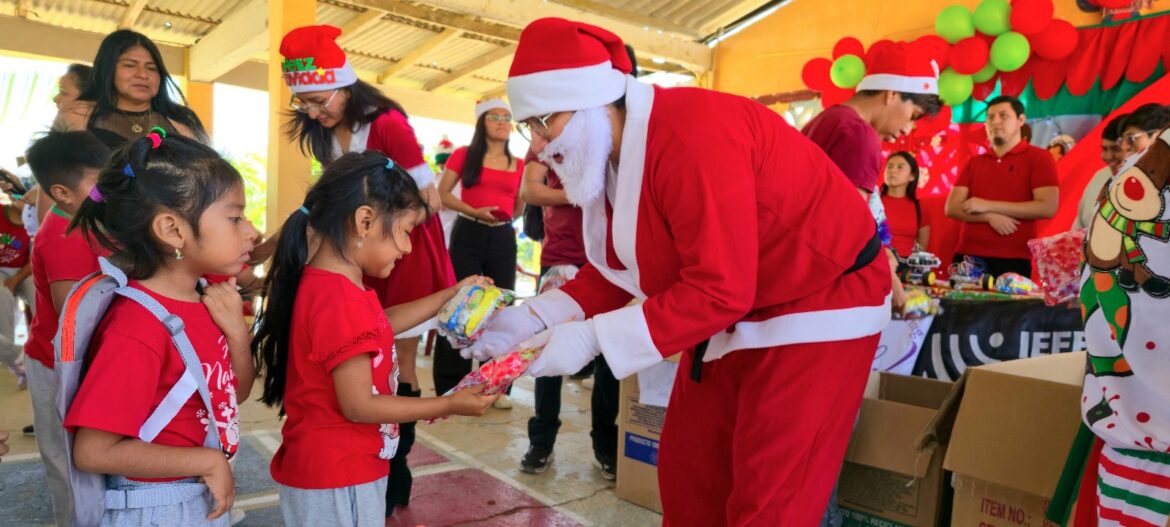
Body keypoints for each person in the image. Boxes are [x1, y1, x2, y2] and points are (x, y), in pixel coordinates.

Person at [465, 18, 890, 524]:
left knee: (769, 498)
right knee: (691, 477)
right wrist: (534, 317)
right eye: (528, 126)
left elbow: (720, 289)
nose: (537, 146)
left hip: (819, 304)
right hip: (735, 309)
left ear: (592, 102)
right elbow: (615, 270)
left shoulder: (692, 135)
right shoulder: (615, 152)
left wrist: (588, 339)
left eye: (544, 122)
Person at [251, 151, 497, 526]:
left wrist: (449, 294)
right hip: (338, 476)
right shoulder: (339, 298)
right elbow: (359, 405)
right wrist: (447, 405)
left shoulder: (331, 284)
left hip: (335, 472)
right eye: (405, 231)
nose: (408, 248)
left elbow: (379, 325)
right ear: (364, 221)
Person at [278, 25, 457, 515]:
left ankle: (395, 469)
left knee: (396, 359)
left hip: (398, 240)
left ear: (345, 84)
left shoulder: (387, 124)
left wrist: (393, 238)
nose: (314, 113)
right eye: (305, 105)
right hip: (366, 239)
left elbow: (423, 203)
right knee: (370, 355)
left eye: (320, 101)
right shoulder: (332, 288)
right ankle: (388, 466)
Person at [63, 130, 257, 525]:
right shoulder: (138, 327)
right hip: (157, 507)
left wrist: (237, 335)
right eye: (235, 217)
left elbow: (229, 394)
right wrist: (207, 460)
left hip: (194, 491)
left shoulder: (206, 300)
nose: (251, 231)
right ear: (172, 230)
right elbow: (94, 451)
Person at [802, 42, 941, 313]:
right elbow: (852, 224)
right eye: (912, 116)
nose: (907, 129)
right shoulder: (858, 133)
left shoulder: (826, 120)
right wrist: (896, 290)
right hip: (827, 289)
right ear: (891, 93)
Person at [22, 131, 111, 525]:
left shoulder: (86, 216)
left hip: (83, 358)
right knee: (69, 464)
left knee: (88, 458)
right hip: (62, 364)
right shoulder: (65, 236)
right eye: (99, 183)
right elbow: (74, 320)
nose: (110, 190)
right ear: (62, 192)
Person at [433, 99, 524, 404]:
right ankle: (451, 383)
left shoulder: (519, 163)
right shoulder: (464, 155)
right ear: (482, 122)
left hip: (502, 237)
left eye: (507, 118)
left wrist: (503, 219)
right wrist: (474, 210)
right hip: (468, 231)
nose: (502, 122)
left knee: (501, 309)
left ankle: (496, 386)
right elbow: (442, 194)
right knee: (459, 304)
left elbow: (520, 204)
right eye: (495, 117)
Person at [945, 95, 1059, 277]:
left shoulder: (1039, 158)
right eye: (990, 117)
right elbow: (952, 208)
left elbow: (1047, 207)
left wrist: (988, 205)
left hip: (1014, 258)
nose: (995, 122)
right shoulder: (974, 162)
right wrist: (988, 217)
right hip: (968, 256)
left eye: (1003, 116)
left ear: (1021, 120)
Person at [55, 30, 207, 148]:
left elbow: (211, 175)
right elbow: (58, 177)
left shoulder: (182, 120)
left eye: (152, 68)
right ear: (107, 69)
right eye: (130, 65)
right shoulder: (78, 117)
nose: (142, 74)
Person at [1073, 113, 1128, 230]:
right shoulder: (1099, 177)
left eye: (1116, 149)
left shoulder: (1156, 181)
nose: (1108, 156)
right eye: (1104, 149)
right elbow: (1078, 229)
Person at [0, 193, 33, 382]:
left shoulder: (35, 222)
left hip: (24, 271)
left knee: (38, 293)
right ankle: (17, 358)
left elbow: (33, 261)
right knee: (2, 296)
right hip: (2, 272)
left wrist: (15, 280)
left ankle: (48, 347)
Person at [882, 152, 930, 258]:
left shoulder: (920, 208)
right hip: (875, 264)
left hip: (906, 268)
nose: (892, 171)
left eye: (900, 167)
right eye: (889, 166)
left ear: (912, 176)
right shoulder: (873, 202)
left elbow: (922, 250)